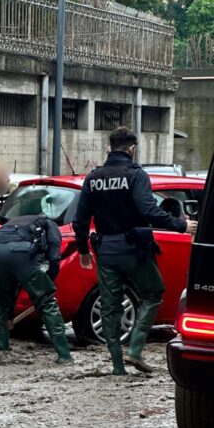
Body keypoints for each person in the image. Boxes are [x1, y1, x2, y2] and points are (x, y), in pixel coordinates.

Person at [73, 126, 198, 375]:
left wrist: (83, 250)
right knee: (153, 293)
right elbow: (149, 211)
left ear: (110, 147)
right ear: (132, 148)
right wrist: (181, 225)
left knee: (110, 307)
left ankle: (117, 367)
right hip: (134, 250)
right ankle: (136, 349)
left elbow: (81, 220)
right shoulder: (135, 175)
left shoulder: (93, 177)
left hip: (105, 251)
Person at [0, 214, 73, 364]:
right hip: (22, 253)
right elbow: (54, 255)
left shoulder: (12, 222)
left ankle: (3, 349)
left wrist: (10, 316)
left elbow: (10, 290)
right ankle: (64, 356)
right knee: (47, 303)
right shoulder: (49, 223)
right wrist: (49, 282)